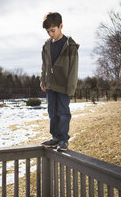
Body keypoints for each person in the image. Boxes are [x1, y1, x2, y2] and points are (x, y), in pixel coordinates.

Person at [40, 12, 79, 151]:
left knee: (63, 112)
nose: (50, 34)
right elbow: (44, 65)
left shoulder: (70, 45)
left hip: (64, 86)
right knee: (52, 112)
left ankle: (63, 140)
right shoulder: (46, 45)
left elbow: (74, 69)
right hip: (50, 85)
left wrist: (71, 88)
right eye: (48, 31)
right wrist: (43, 80)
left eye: (53, 30)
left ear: (61, 26)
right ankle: (55, 137)